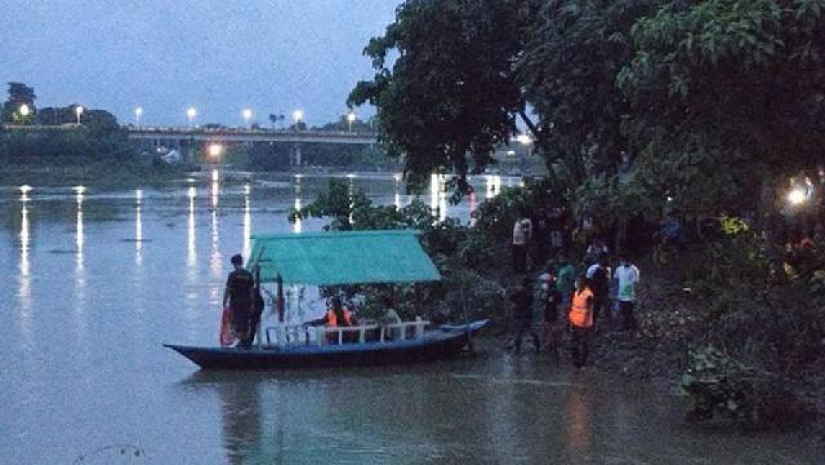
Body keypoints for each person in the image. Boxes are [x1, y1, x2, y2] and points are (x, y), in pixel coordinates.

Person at [223, 254, 256, 349]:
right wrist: (252, 303)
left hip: (236, 302)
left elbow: (228, 289)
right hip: (247, 302)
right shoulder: (248, 275)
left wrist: (224, 301)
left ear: (234, 263)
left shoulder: (233, 275)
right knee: (245, 322)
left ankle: (242, 342)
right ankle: (245, 341)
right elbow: (251, 290)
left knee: (237, 322)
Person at [569, 277, 594, 368]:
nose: (577, 283)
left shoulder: (588, 295)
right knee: (574, 342)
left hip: (584, 324)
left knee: (584, 343)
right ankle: (575, 361)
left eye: (579, 281)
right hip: (575, 322)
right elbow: (574, 307)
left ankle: (583, 362)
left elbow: (589, 309)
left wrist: (586, 321)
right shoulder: (576, 292)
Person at [510, 278, 540, 354]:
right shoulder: (529, 293)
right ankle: (537, 348)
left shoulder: (518, 292)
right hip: (527, 315)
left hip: (519, 315)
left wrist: (514, 306)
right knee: (532, 332)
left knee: (519, 333)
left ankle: (517, 350)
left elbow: (511, 300)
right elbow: (531, 302)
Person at [537, 271, 563, 355]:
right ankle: (550, 344)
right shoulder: (548, 292)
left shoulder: (553, 292)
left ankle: (552, 345)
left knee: (551, 328)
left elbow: (556, 302)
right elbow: (542, 300)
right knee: (548, 328)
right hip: (549, 311)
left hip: (552, 312)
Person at [614, 256, 640, 331]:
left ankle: (633, 326)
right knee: (622, 310)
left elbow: (636, 283)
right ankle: (626, 326)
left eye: (625, 261)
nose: (624, 262)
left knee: (629, 311)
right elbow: (616, 279)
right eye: (622, 261)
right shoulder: (619, 269)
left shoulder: (634, 269)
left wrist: (634, 295)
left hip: (629, 292)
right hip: (621, 292)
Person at [589, 257, 611, 331]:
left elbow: (607, 282)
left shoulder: (605, 271)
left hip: (602, 293)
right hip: (598, 294)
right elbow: (596, 283)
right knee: (596, 310)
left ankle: (608, 321)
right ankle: (593, 323)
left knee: (606, 308)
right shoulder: (597, 272)